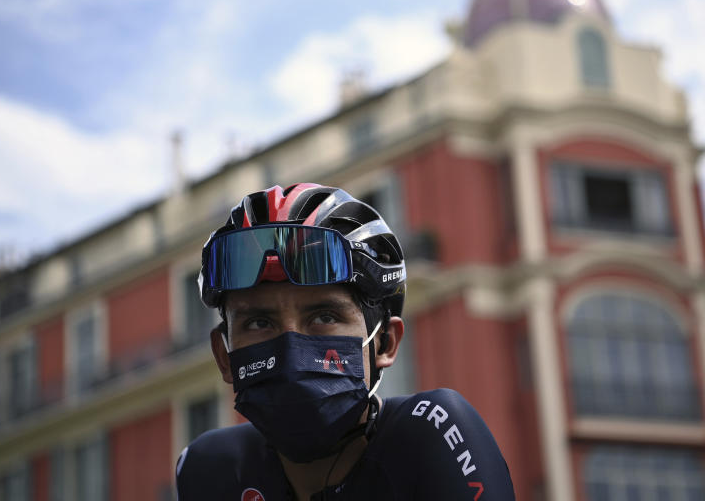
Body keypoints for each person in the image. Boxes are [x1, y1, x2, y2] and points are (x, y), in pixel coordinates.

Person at [175, 183, 515, 500]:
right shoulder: (208, 470)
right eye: (259, 322)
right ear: (224, 357)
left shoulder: (432, 435)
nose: (290, 349)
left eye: (324, 316)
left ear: (384, 344)